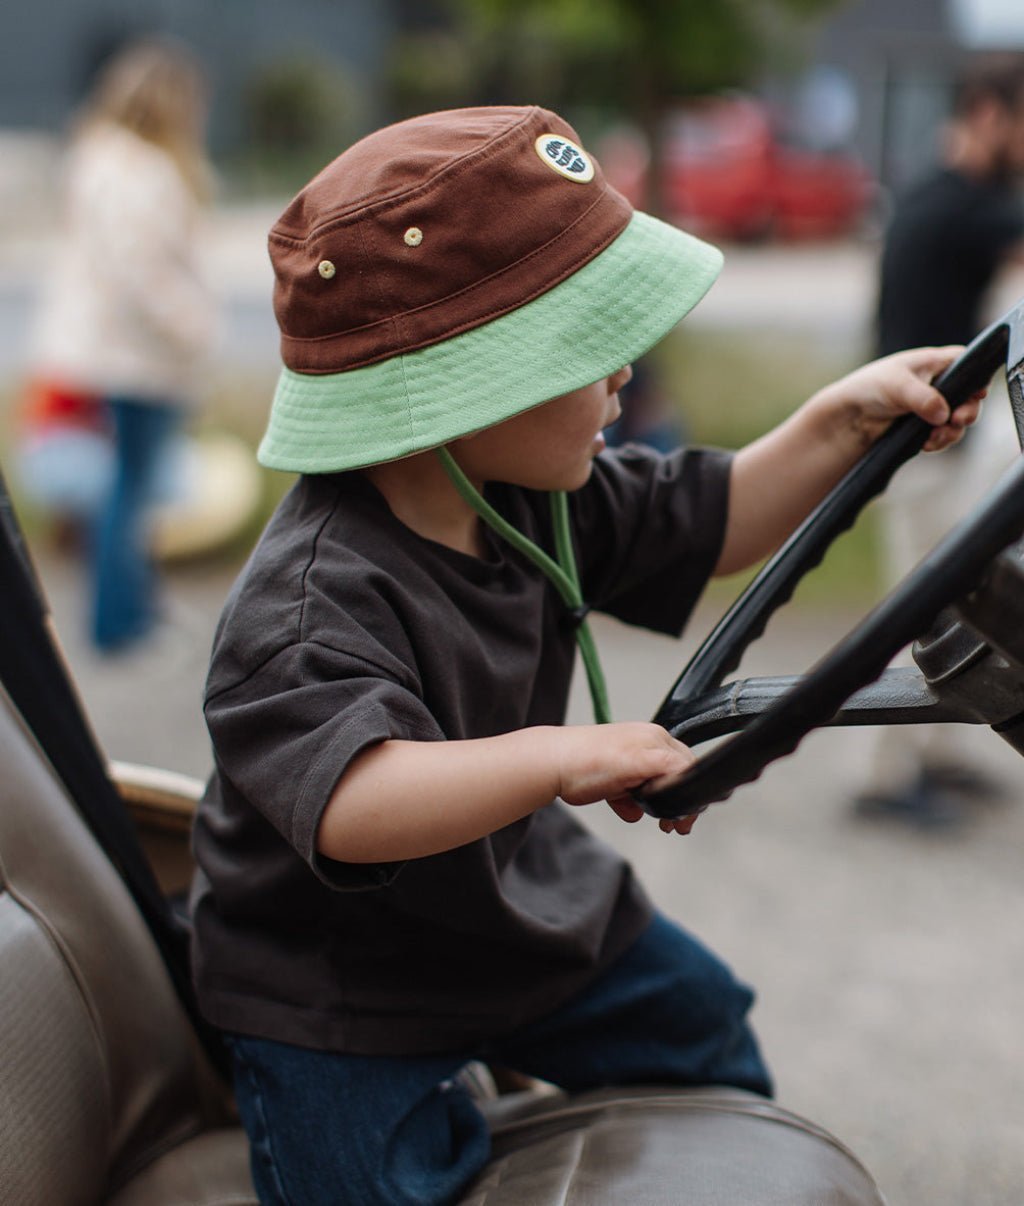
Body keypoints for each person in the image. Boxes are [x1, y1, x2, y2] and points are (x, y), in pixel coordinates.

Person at [188, 106, 980, 1206]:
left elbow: (717, 518)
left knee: (700, 1023)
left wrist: (838, 424)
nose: (625, 373)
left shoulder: (537, 499)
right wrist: (558, 759)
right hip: (340, 986)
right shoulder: (312, 601)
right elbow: (353, 801)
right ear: (460, 383)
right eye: (585, 346)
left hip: (518, 909)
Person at [854, 52, 1024, 828]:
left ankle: (940, 753)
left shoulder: (943, 195)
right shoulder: (955, 205)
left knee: (953, 601)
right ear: (989, 112)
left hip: (931, 439)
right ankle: (883, 780)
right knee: (915, 608)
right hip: (914, 447)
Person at [23, 36, 218, 652]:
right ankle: (119, 623)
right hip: (136, 360)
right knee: (129, 494)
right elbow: (145, 273)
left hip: (97, 352)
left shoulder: (95, 157)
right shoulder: (144, 171)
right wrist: (197, 329)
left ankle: (129, 612)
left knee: (122, 491)